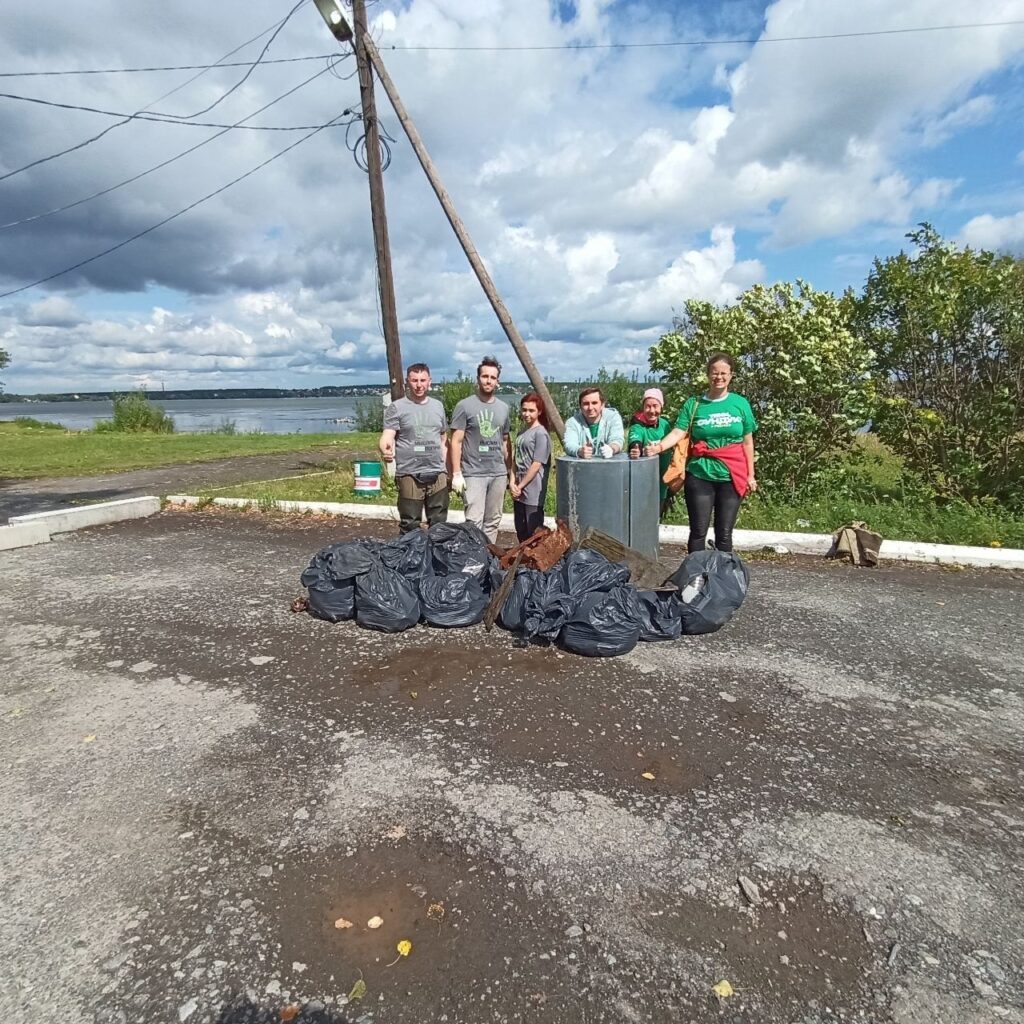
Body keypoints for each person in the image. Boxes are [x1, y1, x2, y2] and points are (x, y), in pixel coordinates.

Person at [648, 352, 758, 552]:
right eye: (715, 373)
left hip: (732, 475)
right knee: (698, 531)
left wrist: (751, 475)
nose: (719, 377)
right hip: (700, 473)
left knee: (724, 533)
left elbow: (747, 442)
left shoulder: (740, 404)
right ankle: (695, 576)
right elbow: (678, 432)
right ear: (708, 375)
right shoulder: (694, 404)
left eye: (724, 373)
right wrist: (659, 446)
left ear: (731, 376)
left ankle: (722, 578)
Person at [379, 363, 449, 534]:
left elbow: (443, 439)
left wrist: (448, 470)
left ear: (429, 381)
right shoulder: (397, 407)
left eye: (423, 380)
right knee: (410, 523)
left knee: (439, 523)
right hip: (409, 473)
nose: (419, 385)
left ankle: (435, 557)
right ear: (407, 382)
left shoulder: (438, 406)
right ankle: (409, 557)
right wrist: (385, 449)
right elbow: (387, 435)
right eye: (415, 380)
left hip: (437, 472)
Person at [450, 356, 512, 543]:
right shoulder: (464, 406)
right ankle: (473, 560)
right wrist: (456, 473)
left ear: (497, 381)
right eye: (485, 376)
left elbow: (505, 441)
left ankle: (489, 558)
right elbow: (456, 441)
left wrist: (509, 471)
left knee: (493, 520)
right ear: (478, 378)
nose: (488, 380)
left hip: (497, 473)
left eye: (493, 377)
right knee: (474, 522)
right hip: (473, 473)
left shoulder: (503, 408)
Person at [510, 392, 552, 542]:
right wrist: (512, 482)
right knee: (520, 528)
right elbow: (516, 459)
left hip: (533, 489)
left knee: (532, 530)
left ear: (539, 411)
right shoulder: (522, 431)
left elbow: (537, 464)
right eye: (524, 410)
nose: (526, 414)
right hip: (519, 489)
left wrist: (520, 485)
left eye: (531, 410)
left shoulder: (541, 434)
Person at [627, 387, 674, 517]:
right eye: (648, 406)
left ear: (661, 407)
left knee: (656, 520)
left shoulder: (665, 425)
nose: (652, 411)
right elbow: (635, 440)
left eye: (655, 406)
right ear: (643, 407)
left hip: (662, 483)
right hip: (643, 485)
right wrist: (636, 449)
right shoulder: (637, 425)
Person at [562, 386, 625, 458]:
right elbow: (569, 444)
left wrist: (611, 449)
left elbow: (617, 439)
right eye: (586, 404)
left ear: (602, 405)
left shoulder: (613, 417)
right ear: (580, 406)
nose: (590, 408)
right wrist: (580, 451)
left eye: (594, 403)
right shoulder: (572, 422)